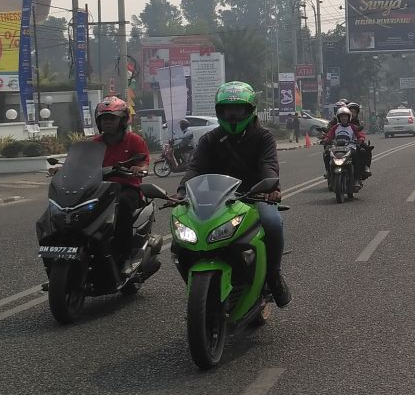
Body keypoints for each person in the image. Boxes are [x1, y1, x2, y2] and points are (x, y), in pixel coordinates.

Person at [180, 81, 290, 307]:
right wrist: (182, 192)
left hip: (253, 196)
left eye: (239, 110)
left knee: (273, 222)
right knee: (181, 236)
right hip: (215, 200)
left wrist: (270, 188)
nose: (233, 116)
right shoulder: (210, 139)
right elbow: (195, 168)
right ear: (220, 111)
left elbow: (268, 165)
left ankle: (273, 275)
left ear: (250, 110)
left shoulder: (263, 138)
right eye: (228, 110)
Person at [92, 96, 154, 275]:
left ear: (122, 120)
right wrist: (63, 168)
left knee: (122, 207)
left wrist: (138, 168)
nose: (107, 123)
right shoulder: (95, 143)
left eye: (111, 119)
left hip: (127, 188)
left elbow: (144, 163)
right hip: (100, 189)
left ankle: (125, 256)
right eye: (104, 119)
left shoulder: (134, 140)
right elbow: (83, 161)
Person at [322, 105, 369, 190]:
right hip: (336, 147)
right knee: (326, 154)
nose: (344, 118)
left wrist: (361, 139)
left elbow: (360, 135)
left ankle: (357, 179)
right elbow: (329, 135)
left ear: (349, 117)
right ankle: (329, 173)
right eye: (342, 117)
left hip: (350, 147)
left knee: (356, 156)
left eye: (345, 116)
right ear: (339, 118)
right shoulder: (335, 127)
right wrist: (326, 140)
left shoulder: (352, 127)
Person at [346, 101, 372, 177]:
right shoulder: (339, 121)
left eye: (354, 112)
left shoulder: (357, 123)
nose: (352, 113)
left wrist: (361, 139)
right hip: (341, 144)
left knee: (366, 149)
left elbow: (360, 133)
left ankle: (366, 167)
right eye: (351, 112)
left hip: (354, 143)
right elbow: (332, 131)